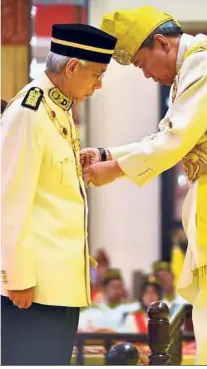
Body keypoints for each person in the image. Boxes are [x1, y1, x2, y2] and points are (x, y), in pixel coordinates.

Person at [80, 6, 207, 365]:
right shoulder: (204, 60)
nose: (147, 75)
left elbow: (176, 139)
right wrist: (107, 153)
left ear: (162, 43)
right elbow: (167, 134)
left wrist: (115, 168)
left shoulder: (201, 63)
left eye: (141, 63)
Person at [1, 23, 117, 365]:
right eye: (97, 74)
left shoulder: (59, 110)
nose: (98, 85)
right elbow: (9, 199)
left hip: (58, 285)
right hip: (33, 290)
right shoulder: (29, 112)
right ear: (71, 67)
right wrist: (17, 278)